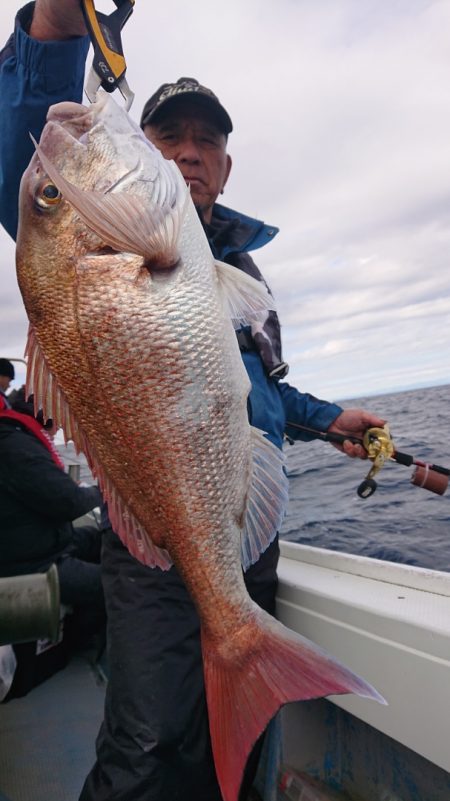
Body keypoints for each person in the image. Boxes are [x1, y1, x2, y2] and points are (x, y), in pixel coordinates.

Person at [0, 4, 386, 800]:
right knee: (146, 747)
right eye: (166, 138)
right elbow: (27, 160)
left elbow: (257, 386)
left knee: (237, 763)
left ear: (226, 165)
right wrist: (53, 29)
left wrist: (329, 420)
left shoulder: (231, 265)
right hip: (156, 543)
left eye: (204, 142)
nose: (185, 155)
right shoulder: (97, 243)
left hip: (237, 527)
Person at [0, 390, 106, 645]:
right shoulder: (14, 446)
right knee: (119, 584)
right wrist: (104, 492)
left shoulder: (15, 436)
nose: (60, 426)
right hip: (33, 564)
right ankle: (78, 639)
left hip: (39, 543)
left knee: (101, 537)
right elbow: (67, 502)